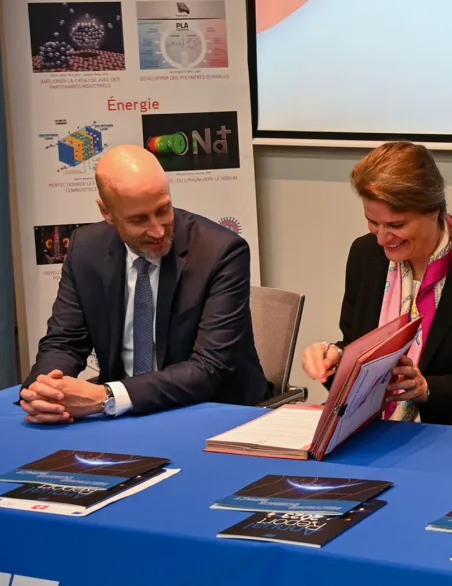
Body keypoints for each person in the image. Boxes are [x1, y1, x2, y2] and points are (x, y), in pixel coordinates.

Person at [18, 145, 270, 424]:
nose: (158, 230)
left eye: (163, 210)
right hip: (119, 415)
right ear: (107, 212)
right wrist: (46, 390)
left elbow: (210, 368)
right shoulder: (86, 248)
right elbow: (64, 341)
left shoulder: (220, 251)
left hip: (208, 412)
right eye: (139, 219)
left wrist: (106, 396)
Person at [300, 141, 452, 430]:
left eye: (397, 225)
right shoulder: (365, 257)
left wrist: (428, 389)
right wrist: (335, 360)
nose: (382, 238)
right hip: (372, 434)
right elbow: (360, 350)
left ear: (433, 210)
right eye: (373, 223)